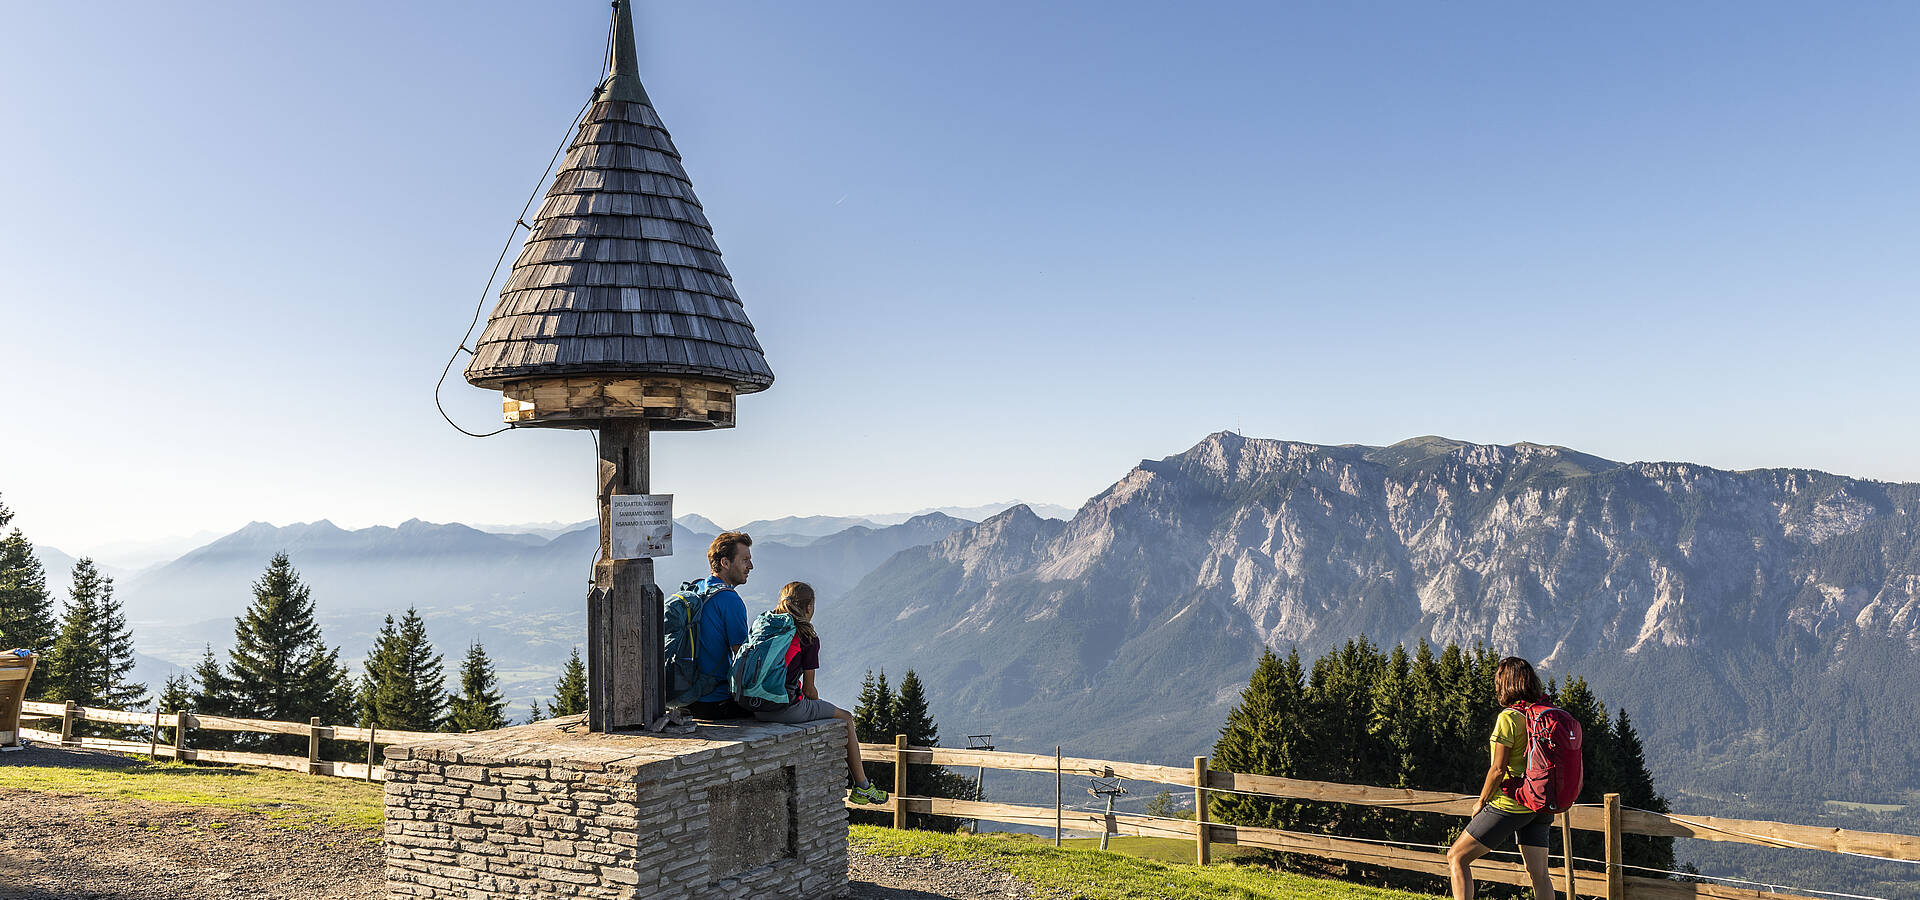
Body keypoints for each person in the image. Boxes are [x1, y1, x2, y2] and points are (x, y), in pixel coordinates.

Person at [750, 581, 888, 805]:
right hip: (785, 708)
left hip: (755, 707)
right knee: (846, 718)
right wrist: (816, 701)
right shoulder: (807, 637)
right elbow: (809, 690)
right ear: (809, 608)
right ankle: (863, 786)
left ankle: (863, 786)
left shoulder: (765, 627)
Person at [1447, 656, 1558, 900]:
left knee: (1457, 856)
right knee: (1539, 875)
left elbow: (1498, 769)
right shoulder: (1542, 716)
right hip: (1540, 803)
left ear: (1504, 684)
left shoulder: (1509, 718)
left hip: (1511, 803)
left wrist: (1482, 801)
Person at [681, 532, 754, 719]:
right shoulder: (730, 600)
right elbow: (742, 659)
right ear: (725, 563)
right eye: (745, 560)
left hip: (685, 698)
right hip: (715, 702)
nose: (750, 566)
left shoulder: (697, 588)